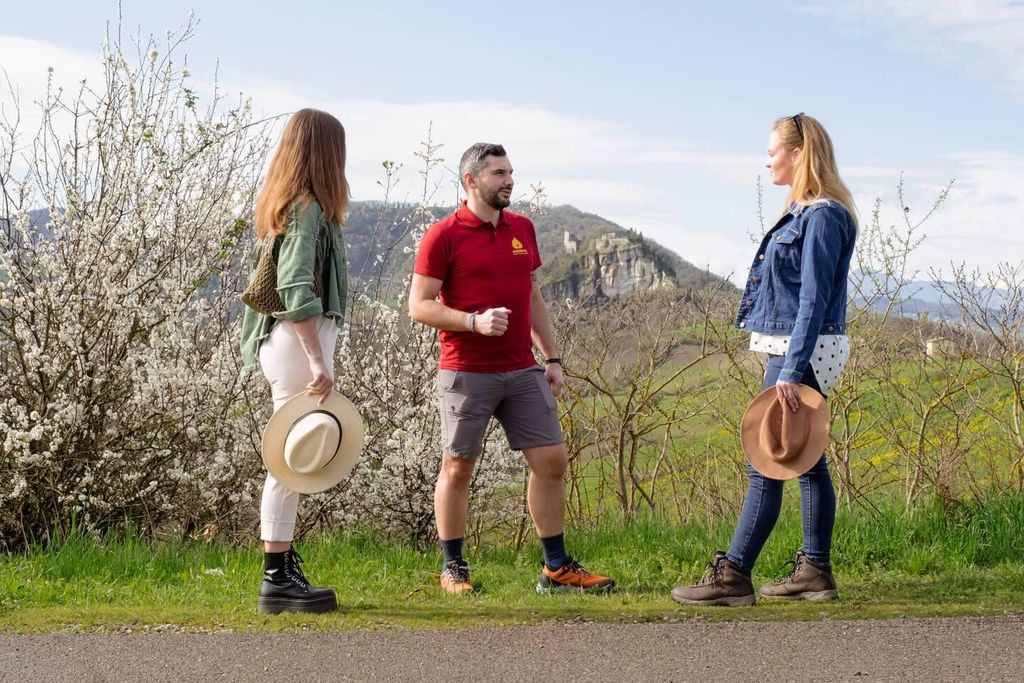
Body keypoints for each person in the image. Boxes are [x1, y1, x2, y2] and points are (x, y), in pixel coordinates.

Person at [409, 143, 614, 594]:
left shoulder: (523, 228)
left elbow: (533, 295)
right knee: (458, 467)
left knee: (552, 461)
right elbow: (419, 306)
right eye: (499, 173)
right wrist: (471, 322)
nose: (509, 181)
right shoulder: (442, 235)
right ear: (471, 180)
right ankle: (454, 569)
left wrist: (553, 356)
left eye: (510, 172)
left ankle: (556, 570)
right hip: (466, 370)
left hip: (522, 368)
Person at [672, 113, 857, 606]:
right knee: (803, 458)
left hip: (803, 351)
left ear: (798, 154)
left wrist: (793, 371)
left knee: (766, 459)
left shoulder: (822, 216)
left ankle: (733, 576)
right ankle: (815, 570)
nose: (767, 159)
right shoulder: (806, 213)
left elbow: (813, 301)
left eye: (773, 150)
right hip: (794, 347)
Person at [240, 108, 350, 613]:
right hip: (296, 344)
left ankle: (280, 572)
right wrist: (318, 361)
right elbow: (294, 289)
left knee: (293, 458)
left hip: (293, 343)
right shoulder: (307, 210)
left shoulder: (295, 207)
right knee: (290, 462)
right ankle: (276, 580)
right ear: (327, 153)